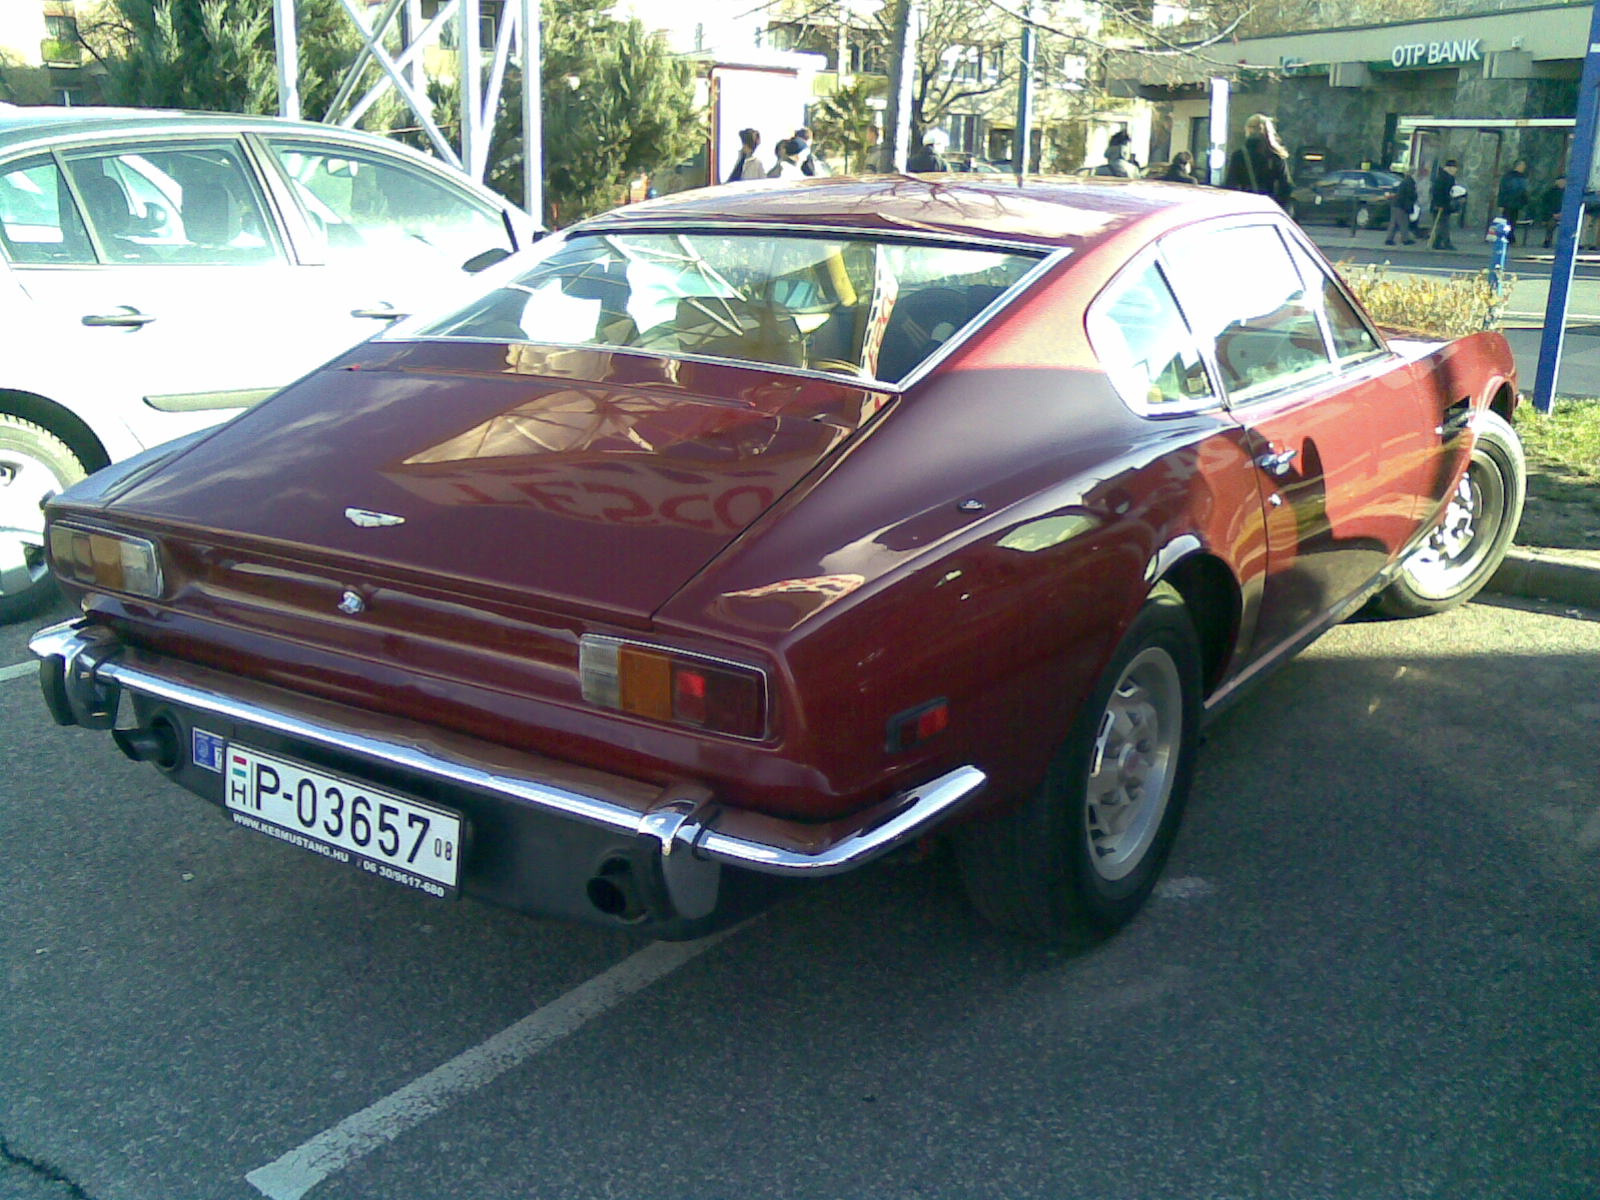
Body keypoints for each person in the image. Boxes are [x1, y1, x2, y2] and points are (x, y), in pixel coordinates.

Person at [1222, 113, 1292, 207]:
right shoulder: (1275, 155)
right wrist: (1277, 204)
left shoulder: (1239, 155)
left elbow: (1230, 184)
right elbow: (1286, 185)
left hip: (1246, 206)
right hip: (1268, 205)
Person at [1496, 158, 1530, 244]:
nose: (1524, 168)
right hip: (1508, 203)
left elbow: (1524, 190)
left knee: (1513, 221)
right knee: (1507, 221)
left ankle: (1510, 236)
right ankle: (1508, 237)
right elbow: (1503, 190)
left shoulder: (1523, 177)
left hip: (1516, 203)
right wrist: (1501, 204)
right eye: (1522, 166)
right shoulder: (1508, 177)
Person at [1429, 158, 1460, 250]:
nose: (1456, 171)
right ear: (1450, 168)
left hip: (1442, 205)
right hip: (1441, 205)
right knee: (1444, 225)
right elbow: (1440, 192)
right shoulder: (1445, 178)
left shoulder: (1443, 176)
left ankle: (1437, 243)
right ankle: (1446, 243)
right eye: (1455, 168)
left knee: (1441, 225)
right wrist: (1440, 204)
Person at [1383, 167, 1417, 246]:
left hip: (1396, 204)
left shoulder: (1405, 181)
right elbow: (1409, 195)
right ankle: (1405, 239)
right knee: (1403, 222)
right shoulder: (1409, 182)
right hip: (1401, 205)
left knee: (1394, 223)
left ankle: (1389, 239)